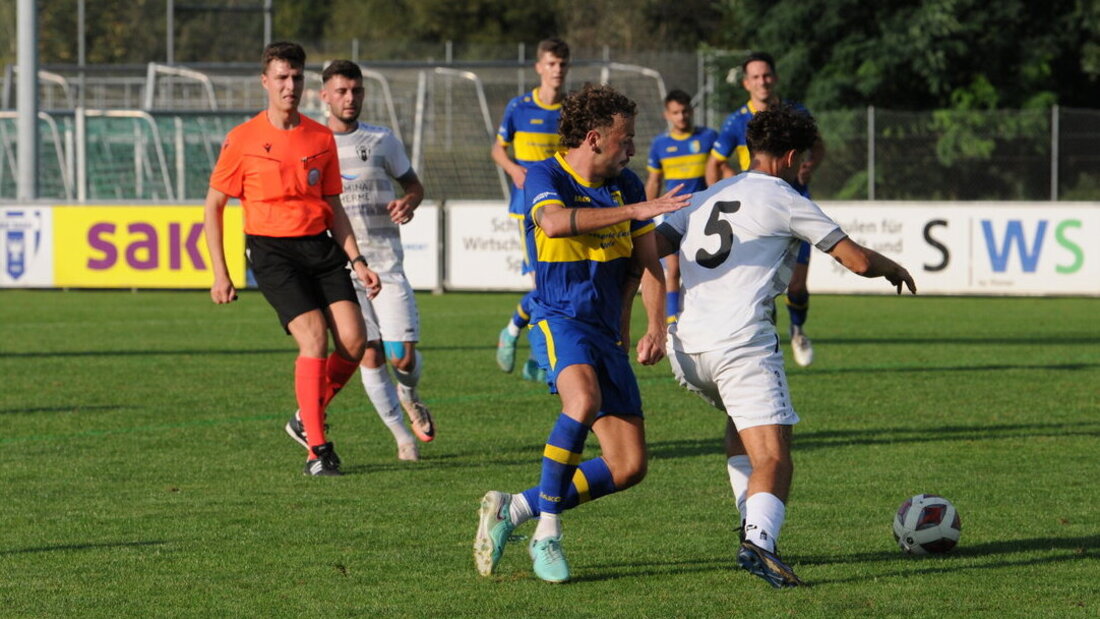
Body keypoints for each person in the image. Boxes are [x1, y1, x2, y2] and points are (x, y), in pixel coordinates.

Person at [657, 105, 916, 588]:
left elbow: (647, 251)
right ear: (792, 156)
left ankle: (751, 525)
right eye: (805, 162)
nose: (805, 170)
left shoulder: (706, 195)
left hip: (688, 349)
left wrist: (651, 320)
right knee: (775, 456)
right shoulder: (785, 197)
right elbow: (856, 261)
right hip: (740, 347)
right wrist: (893, 268)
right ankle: (758, 542)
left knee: (742, 428)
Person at [473, 84, 691, 584]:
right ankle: (546, 533)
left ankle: (515, 509)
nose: (633, 148)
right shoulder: (545, 174)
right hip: (558, 316)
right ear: (594, 138)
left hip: (606, 330)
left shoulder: (629, 185)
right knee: (582, 400)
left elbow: (649, 264)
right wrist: (634, 212)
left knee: (629, 465)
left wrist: (657, 325)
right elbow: (552, 224)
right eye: (626, 139)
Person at [203, 41, 381, 477]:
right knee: (314, 338)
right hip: (271, 250)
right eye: (281, 77)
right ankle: (318, 451)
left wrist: (357, 261)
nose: (290, 85)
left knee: (356, 343)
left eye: (297, 77)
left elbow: (334, 207)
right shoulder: (242, 139)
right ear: (265, 82)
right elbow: (213, 206)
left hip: (319, 246)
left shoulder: (320, 137)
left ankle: (305, 415)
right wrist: (220, 273)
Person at [286, 59, 435, 463]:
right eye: (341, 91)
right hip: (341, 268)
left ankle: (410, 395)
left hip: (385, 263)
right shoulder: (312, 143)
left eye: (356, 91)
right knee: (367, 351)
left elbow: (414, 184)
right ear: (325, 96)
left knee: (401, 354)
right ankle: (402, 439)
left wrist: (409, 201)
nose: (350, 99)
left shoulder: (382, 140)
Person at [706, 51, 826, 367]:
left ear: (775, 78)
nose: (763, 81)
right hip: (756, 214)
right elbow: (715, 164)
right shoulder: (736, 121)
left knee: (797, 285)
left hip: (795, 206)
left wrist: (810, 165)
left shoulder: (796, 113)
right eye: (756, 77)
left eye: (767, 75)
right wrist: (723, 190)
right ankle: (764, 344)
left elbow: (819, 145)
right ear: (746, 83)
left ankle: (798, 329)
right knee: (760, 282)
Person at [491, 38, 570, 382]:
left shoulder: (572, 111)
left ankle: (538, 354)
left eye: (562, 64)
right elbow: (497, 149)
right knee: (543, 284)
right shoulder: (519, 107)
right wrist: (514, 170)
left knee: (559, 284)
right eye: (551, 64)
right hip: (527, 209)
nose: (557, 70)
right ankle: (516, 337)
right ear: (539, 67)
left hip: (562, 209)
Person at [644, 89, 718, 324]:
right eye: (676, 112)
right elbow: (654, 181)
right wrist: (645, 211)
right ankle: (671, 321)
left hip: (704, 214)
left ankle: (705, 317)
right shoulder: (660, 145)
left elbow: (719, 169)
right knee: (673, 269)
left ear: (692, 111)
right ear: (667, 114)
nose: (682, 116)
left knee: (704, 270)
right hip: (673, 215)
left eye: (685, 111)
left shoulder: (708, 137)